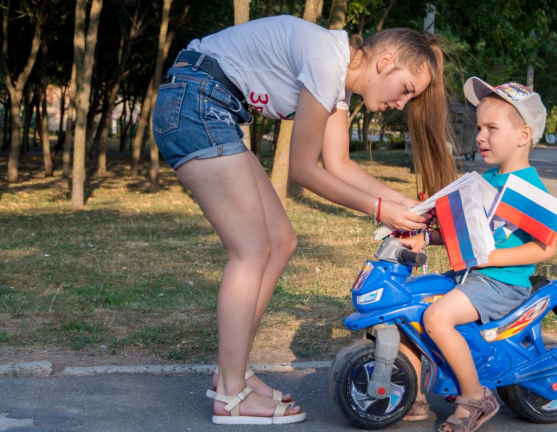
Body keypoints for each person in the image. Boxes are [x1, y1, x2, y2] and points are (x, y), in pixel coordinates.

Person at [151, 15, 456, 425]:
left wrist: (404, 204)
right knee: (251, 251)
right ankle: (231, 395)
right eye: (405, 90)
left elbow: (340, 164)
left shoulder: (337, 80)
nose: (401, 105)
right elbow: (303, 170)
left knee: (281, 241)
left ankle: (232, 373)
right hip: (197, 105)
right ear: (385, 62)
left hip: (209, 106)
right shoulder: (327, 61)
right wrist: (379, 209)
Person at [399, 78, 557, 432]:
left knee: (437, 317)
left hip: (502, 284)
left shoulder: (529, 189)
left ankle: (475, 397)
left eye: (491, 128)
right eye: (479, 127)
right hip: (474, 277)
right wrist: (424, 237)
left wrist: (492, 258)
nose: (480, 136)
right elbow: (465, 231)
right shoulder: (488, 179)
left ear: (523, 135)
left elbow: (547, 247)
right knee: (410, 306)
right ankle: (413, 395)